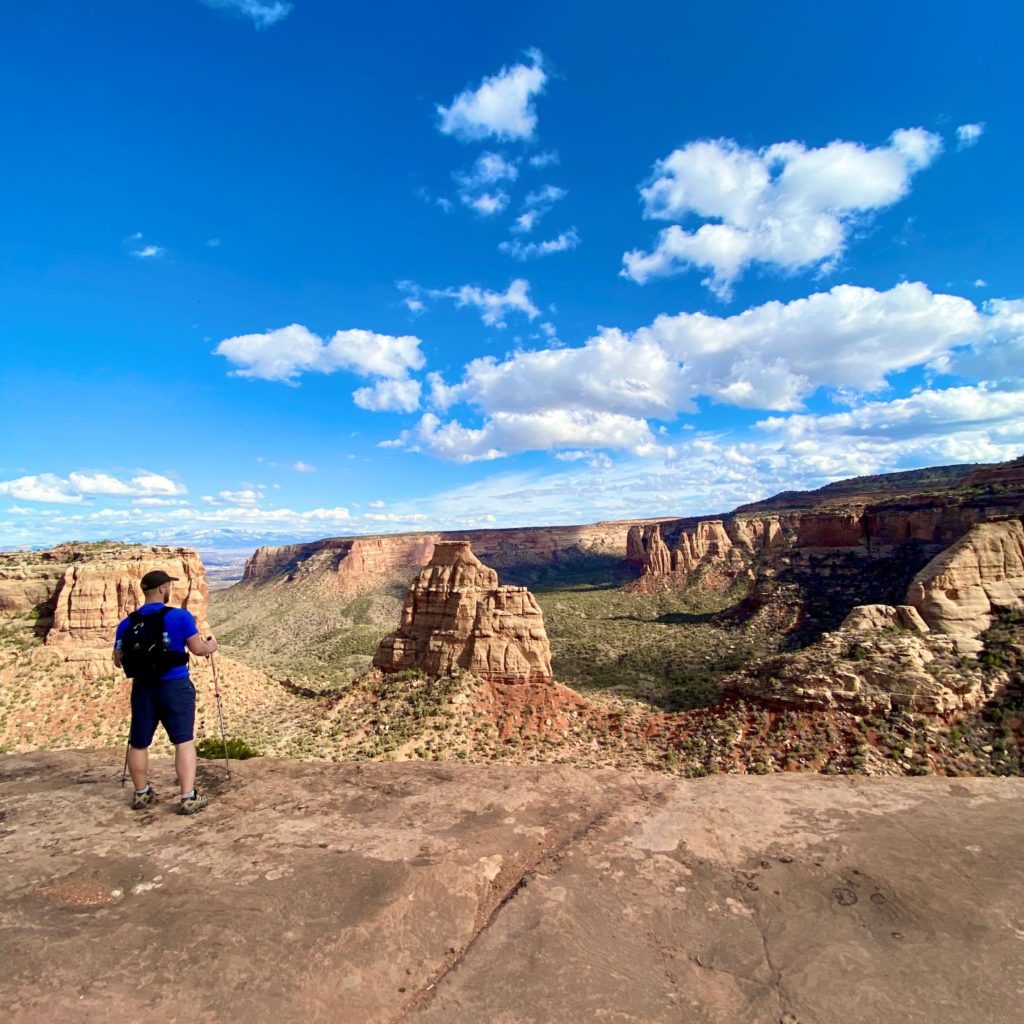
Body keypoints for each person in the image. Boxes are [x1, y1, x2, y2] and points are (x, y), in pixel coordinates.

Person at [113, 569, 218, 815]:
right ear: (162, 589)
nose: (170, 589)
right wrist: (211, 646)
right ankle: (188, 797)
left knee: (138, 743)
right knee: (183, 741)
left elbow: (118, 660)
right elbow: (197, 649)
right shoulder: (180, 617)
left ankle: (140, 794)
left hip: (142, 687)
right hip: (175, 686)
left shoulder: (127, 623)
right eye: (169, 585)